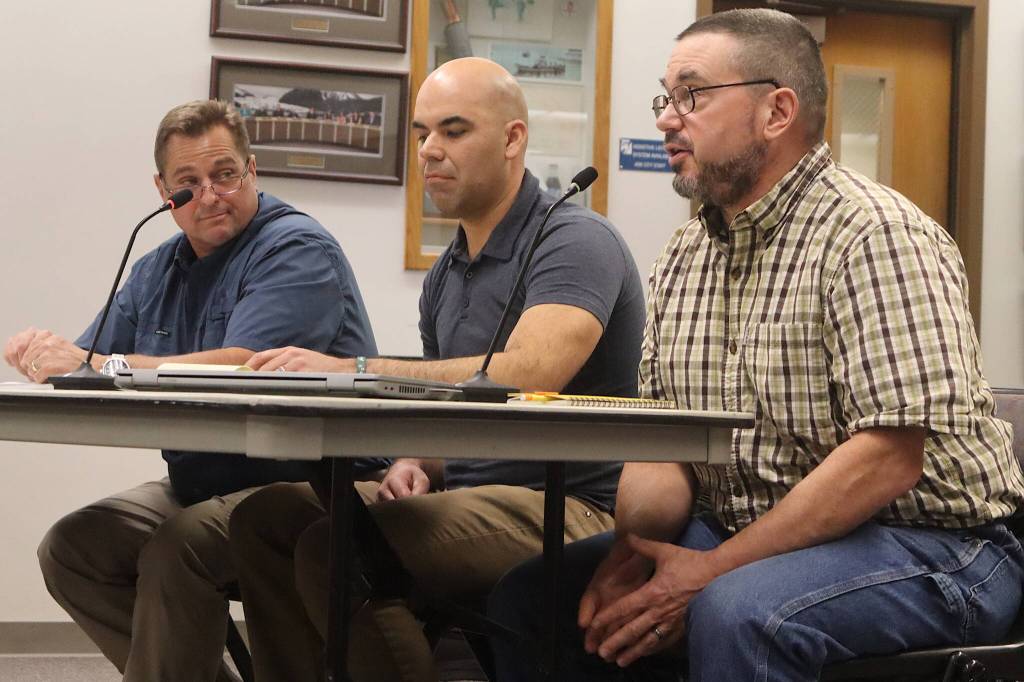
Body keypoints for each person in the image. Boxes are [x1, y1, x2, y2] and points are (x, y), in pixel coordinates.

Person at [487, 9, 1024, 681]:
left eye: (691, 94)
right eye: (665, 96)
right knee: (535, 600)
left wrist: (706, 572)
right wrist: (632, 555)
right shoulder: (685, 256)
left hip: (937, 547)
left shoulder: (876, 236)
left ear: (776, 111)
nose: (665, 119)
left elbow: (887, 460)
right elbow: (666, 446)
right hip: (751, 529)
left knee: (738, 611)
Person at [227, 56, 645, 682]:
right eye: (422, 133)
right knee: (264, 521)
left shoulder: (575, 240)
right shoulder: (447, 272)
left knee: (330, 548)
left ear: (512, 140)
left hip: (569, 503)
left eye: (454, 131)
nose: (430, 150)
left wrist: (355, 367)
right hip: (473, 494)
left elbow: (530, 374)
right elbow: (456, 409)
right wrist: (417, 459)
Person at [5, 99, 378, 682]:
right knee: (74, 547)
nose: (209, 195)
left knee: (177, 548)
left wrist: (94, 361)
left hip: (314, 487)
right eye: (188, 183)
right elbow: (90, 361)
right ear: (163, 192)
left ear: (251, 171)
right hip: (203, 483)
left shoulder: (296, 249)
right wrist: (41, 354)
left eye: (224, 174)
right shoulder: (158, 266)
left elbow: (241, 365)